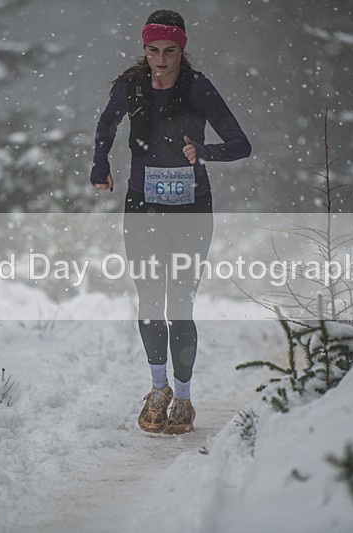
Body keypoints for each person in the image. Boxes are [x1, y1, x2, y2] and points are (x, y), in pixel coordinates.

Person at [89, 9, 251, 434]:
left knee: (179, 304)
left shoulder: (198, 87)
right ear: (144, 50)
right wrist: (99, 163)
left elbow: (240, 144)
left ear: (183, 50)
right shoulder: (131, 87)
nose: (162, 60)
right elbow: (106, 125)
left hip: (192, 210)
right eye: (154, 50)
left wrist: (204, 151)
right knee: (148, 301)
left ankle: (183, 397)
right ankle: (157, 389)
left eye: (170, 51)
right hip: (142, 208)